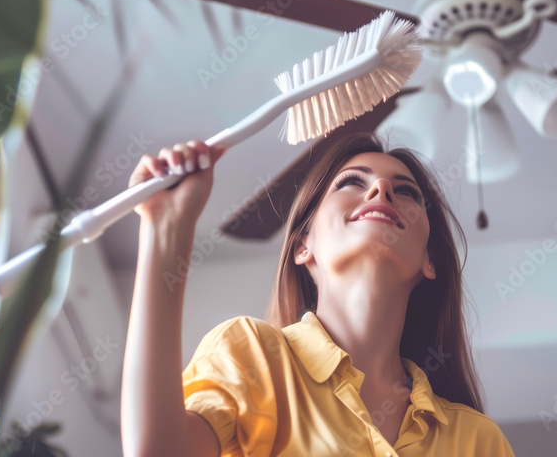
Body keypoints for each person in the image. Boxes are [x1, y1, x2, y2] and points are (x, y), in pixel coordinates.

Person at [120, 132, 516, 457]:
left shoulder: (478, 441)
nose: (380, 189)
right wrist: (166, 229)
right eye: (351, 182)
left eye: (407, 192)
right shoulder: (253, 357)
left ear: (429, 263)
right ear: (302, 246)